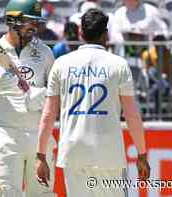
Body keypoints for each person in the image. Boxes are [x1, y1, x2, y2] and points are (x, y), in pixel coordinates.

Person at [36, 9, 150, 197]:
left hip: (74, 151)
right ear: (106, 34)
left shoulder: (61, 63)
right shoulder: (118, 64)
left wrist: (40, 155)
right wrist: (142, 154)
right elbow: (132, 115)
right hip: (109, 152)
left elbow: (48, 114)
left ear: (81, 33)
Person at [0, 0, 56, 196]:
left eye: (36, 22)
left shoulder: (45, 52)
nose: (34, 26)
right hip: (7, 135)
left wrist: (43, 97)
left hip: (39, 136)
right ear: (12, 21)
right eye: (28, 21)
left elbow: (56, 96)